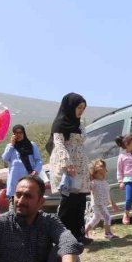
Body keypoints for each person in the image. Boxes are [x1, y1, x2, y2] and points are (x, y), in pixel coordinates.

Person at [46, 93, 91, 244]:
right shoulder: (59, 123)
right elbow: (58, 144)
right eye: (79, 107)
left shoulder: (79, 124)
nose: (80, 111)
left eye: (83, 108)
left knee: (80, 201)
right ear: (70, 106)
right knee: (69, 202)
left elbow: (82, 140)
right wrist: (68, 164)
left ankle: (79, 234)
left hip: (81, 165)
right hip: (67, 165)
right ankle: (62, 236)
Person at [1, 124, 44, 209]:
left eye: (20, 132)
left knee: (29, 201)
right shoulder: (10, 147)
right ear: (13, 134)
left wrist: (36, 171)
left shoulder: (31, 145)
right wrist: (12, 145)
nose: (18, 135)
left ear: (23, 133)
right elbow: (5, 158)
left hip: (29, 177)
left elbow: (38, 160)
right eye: (16, 133)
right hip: (14, 180)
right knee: (15, 205)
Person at [85, 159, 120, 240]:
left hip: (102, 204)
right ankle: (107, 233)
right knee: (107, 217)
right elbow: (88, 187)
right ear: (94, 173)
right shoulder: (93, 182)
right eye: (101, 173)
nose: (103, 175)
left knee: (96, 218)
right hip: (98, 204)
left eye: (104, 173)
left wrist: (113, 203)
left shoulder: (105, 182)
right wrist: (88, 178)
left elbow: (108, 194)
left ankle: (85, 231)